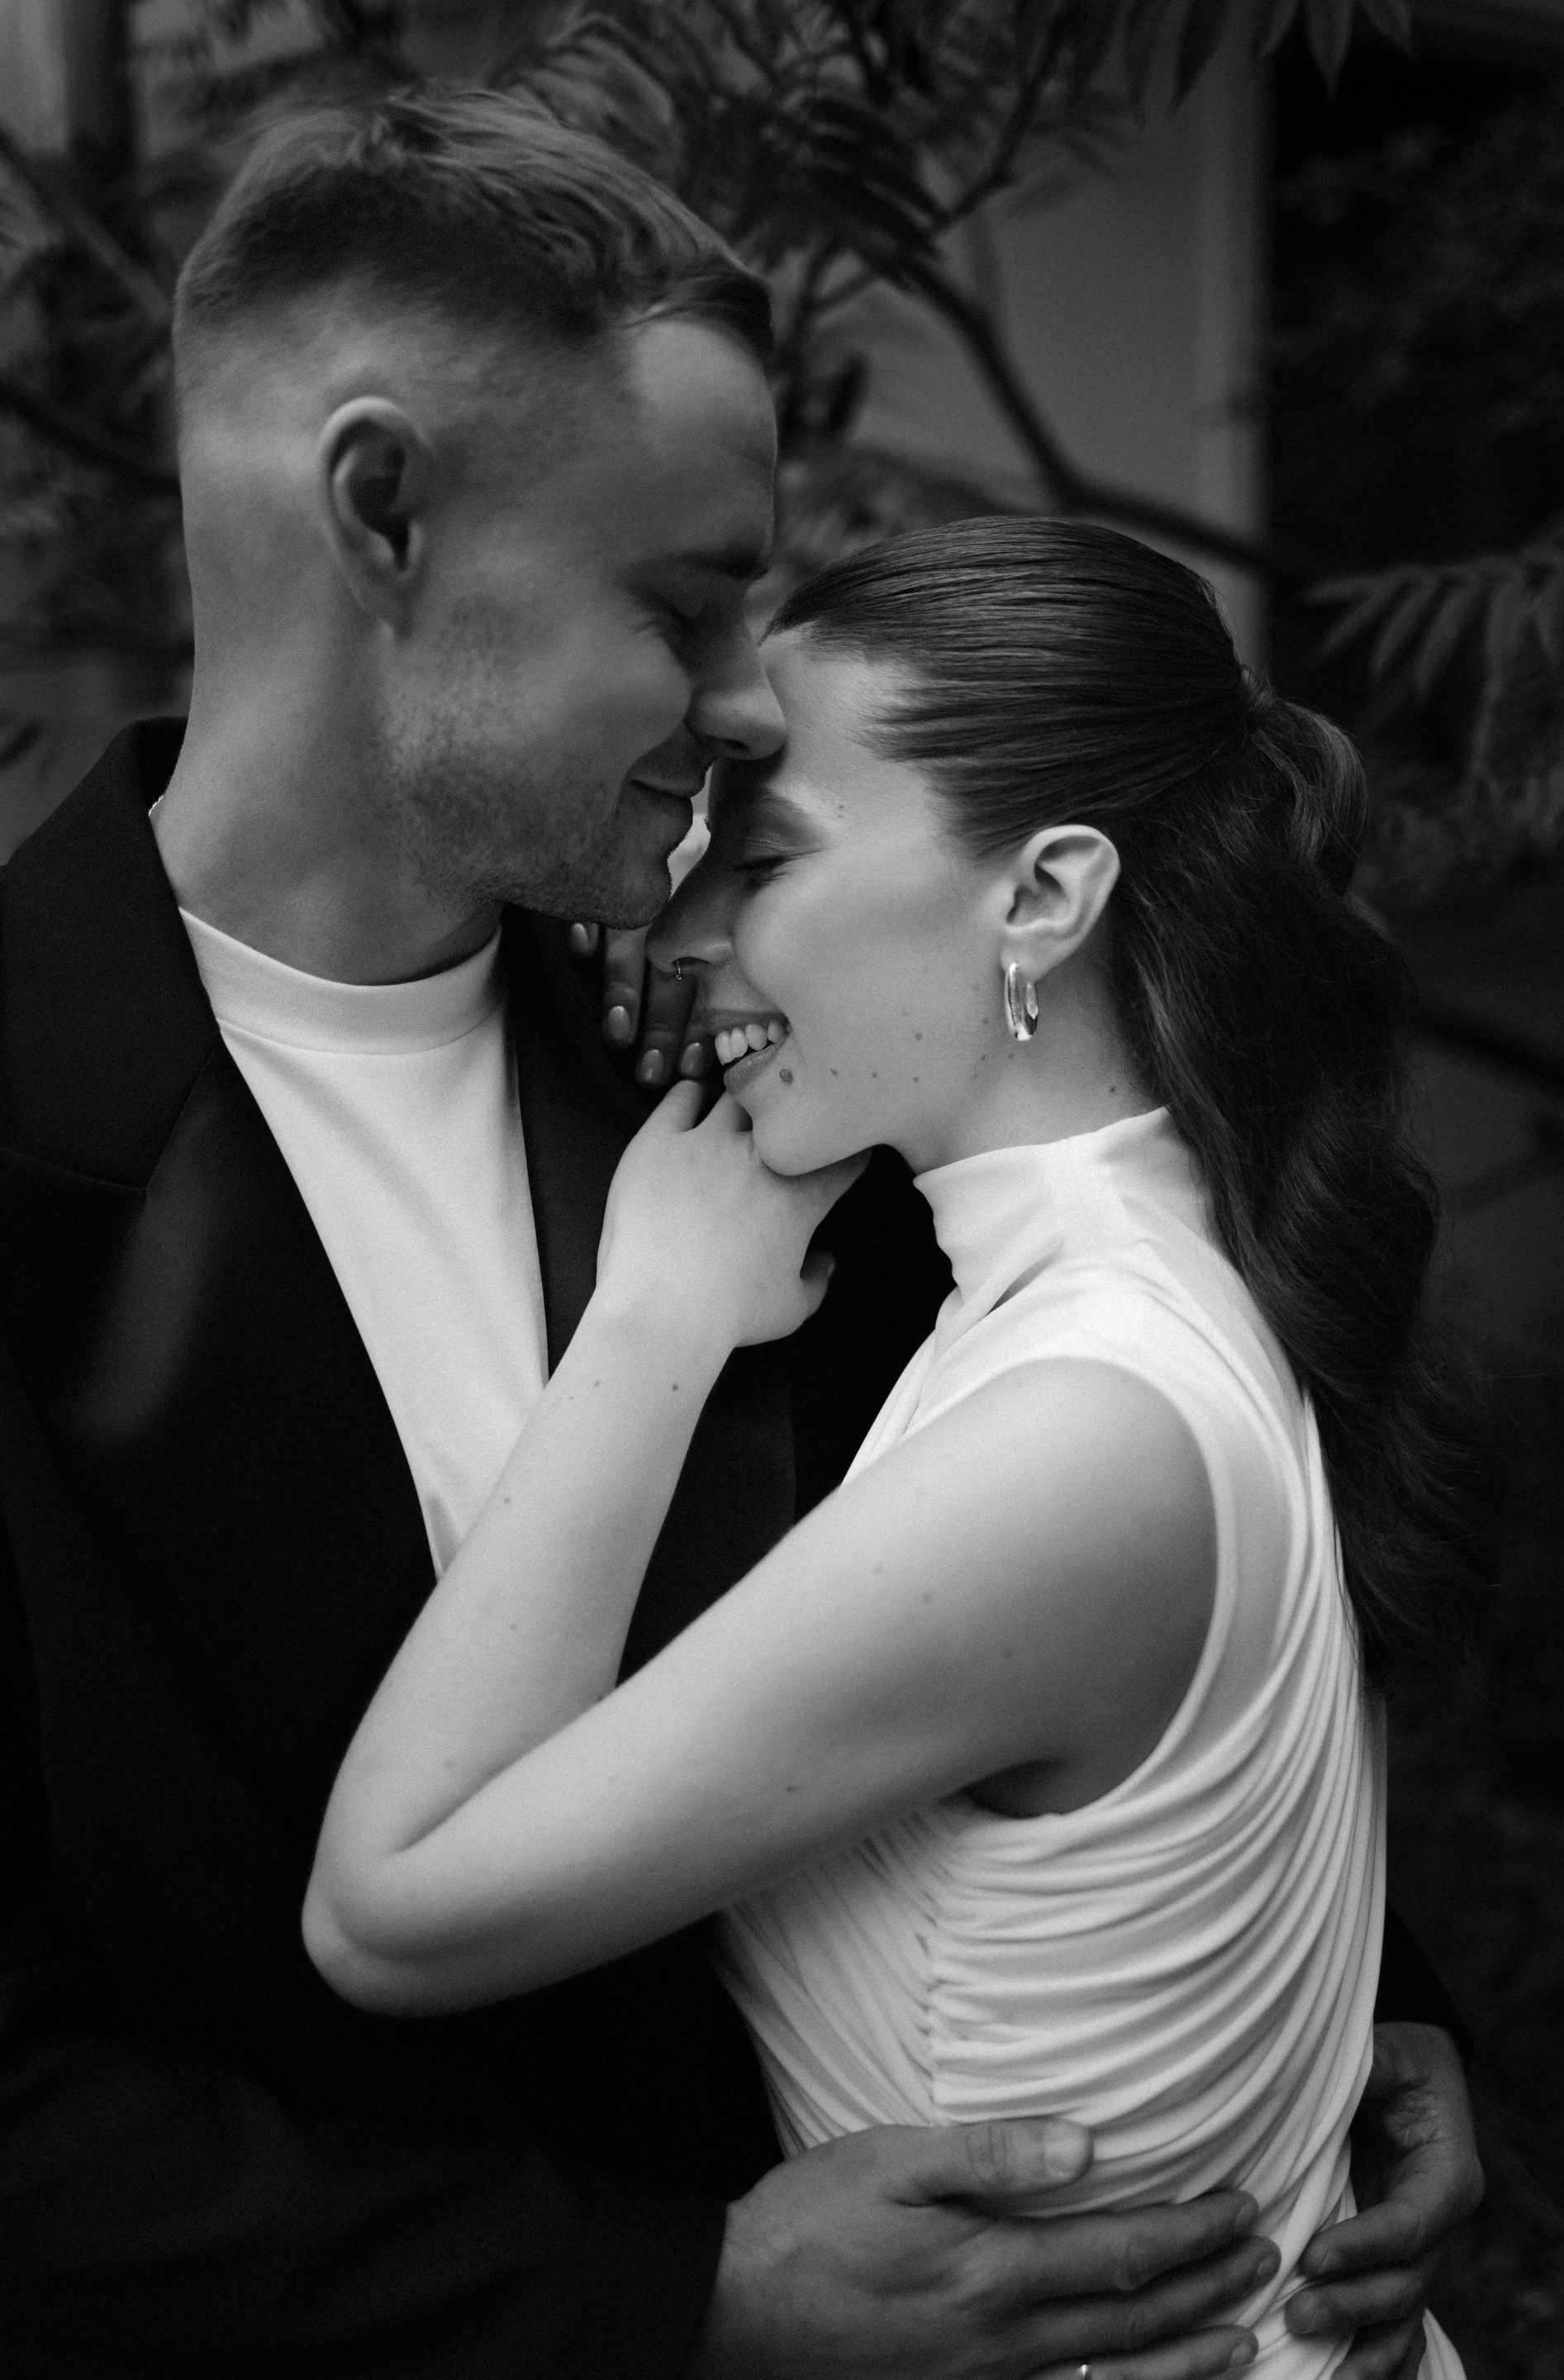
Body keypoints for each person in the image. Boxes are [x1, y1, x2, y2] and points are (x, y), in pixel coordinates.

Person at [0, 88, 1476, 2380]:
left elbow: (1095, 1559)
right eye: (681, 604)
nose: (735, 702)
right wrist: (669, 2298)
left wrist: (1331, 1990)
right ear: (382, 511)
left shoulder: (798, 1067)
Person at [304, 516, 1495, 2378]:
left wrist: (649, 1325)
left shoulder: (1083, 1432)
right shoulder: (1177, 1281)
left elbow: (391, 1911)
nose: (679, 931)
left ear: (1046, 896)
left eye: (767, 856)